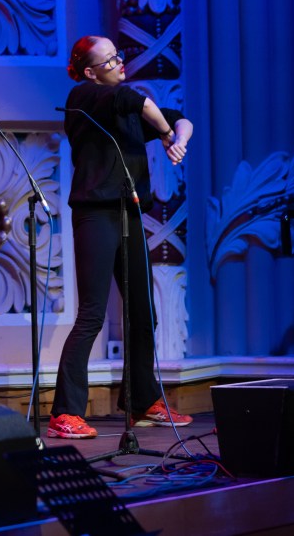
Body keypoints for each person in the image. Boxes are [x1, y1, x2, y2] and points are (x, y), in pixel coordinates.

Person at [48, 35, 194, 440]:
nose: (119, 63)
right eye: (110, 60)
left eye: (119, 56)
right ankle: (65, 413)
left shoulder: (121, 109)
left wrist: (177, 139)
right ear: (91, 71)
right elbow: (141, 103)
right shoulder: (85, 97)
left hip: (128, 214)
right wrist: (164, 133)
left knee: (144, 311)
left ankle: (142, 402)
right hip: (96, 215)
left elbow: (181, 119)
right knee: (92, 314)